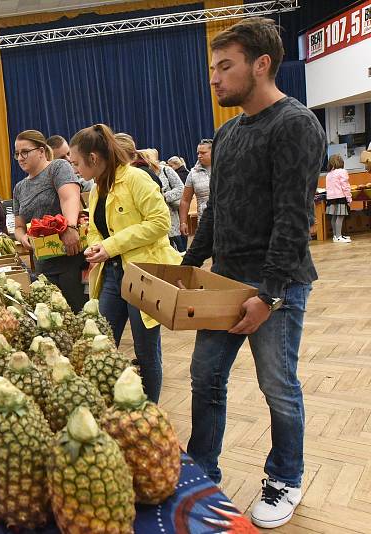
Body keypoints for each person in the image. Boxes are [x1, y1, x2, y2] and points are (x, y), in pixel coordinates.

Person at [181, 18, 327, 529]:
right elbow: (216, 211)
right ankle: (202, 472)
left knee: (277, 385)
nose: (215, 79)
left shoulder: (296, 124)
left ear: (260, 65)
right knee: (205, 378)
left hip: (276, 285)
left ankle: (285, 477)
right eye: (213, 69)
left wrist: (267, 294)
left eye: (226, 67)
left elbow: (293, 219)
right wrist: (186, 264)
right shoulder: (226, 134)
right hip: (225, 280)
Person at [69, 124, 181, 403]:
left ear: (93, 158)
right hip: (112, 275)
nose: (75, 170)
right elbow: (97, 226)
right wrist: (95, 244)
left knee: (146, 351)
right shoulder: (96, 188)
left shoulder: (137, 179)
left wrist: (109, 246)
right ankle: (112, 406)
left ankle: (149, 412)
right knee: (103, 344)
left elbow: (159, 222)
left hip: (144, 275)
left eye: (76, 163)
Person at [12, 130, 86, 312]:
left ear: (41, 151)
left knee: (79, 316)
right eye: (17, 154)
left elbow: (70, 198)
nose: (20, 158)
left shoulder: (58, 167)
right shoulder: (19, 188)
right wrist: (23, 238)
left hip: (70, 258)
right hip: (43, 265)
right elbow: (19, 226)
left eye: (25, 152)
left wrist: (69, 227)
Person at [139, 149, 186, 252]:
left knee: (177, 251)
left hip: (170, 217)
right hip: (151, 221)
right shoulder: (140, 173)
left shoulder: (166, 170)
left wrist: (163, 197)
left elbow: (180, 188)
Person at [179, 140, 212, 238]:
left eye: (203, 153)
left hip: (226, 220)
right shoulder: (193, 173)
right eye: (198, 153)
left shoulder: (224, 168)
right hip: (204, 222)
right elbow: (185, 200)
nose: (199, 155)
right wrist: (183, 223)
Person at [324, 154, 352, 243]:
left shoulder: (328, 174)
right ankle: (339, 236)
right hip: (340, 197)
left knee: (333, 217)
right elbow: (345, 186)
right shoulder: (342, 171)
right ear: (341, 162)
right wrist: (349, 198)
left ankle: (335, 236)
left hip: (330, 198)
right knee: (340, 217)